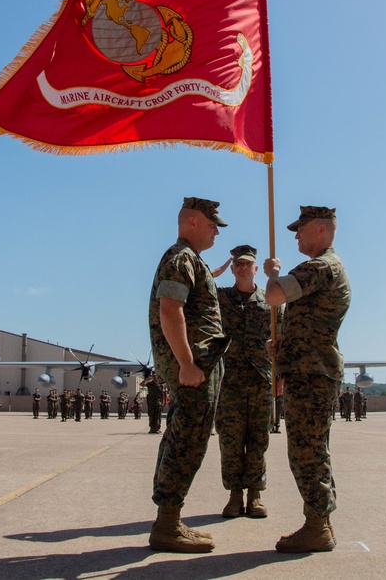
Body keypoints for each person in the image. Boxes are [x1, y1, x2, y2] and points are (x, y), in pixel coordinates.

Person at [264, 205, 351, 554]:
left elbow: (273, 295)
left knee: (307, 451)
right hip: (308, 370)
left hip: (312, 374)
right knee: (311, 449)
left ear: (320, 229)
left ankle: (317, 527)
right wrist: (283, 348)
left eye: (300, 228)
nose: (296, 235)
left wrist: (272, 274)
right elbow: (305, 322)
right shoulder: (324, 267)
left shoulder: (322, 266)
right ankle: (320, 521)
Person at [147, 197, 230, 553]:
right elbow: (170, 310)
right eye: (212, 224)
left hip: (198, 367)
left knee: (184, 436)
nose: (216, 231)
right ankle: (167, 524)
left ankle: (169, 520)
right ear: (192, 222)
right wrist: (186, 364)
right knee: (188, 440)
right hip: (192, 370)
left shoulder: (191, 261)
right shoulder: (181, 258)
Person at [216, 244, 282, 519]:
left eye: (248, 264)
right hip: (228, 381)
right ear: (232, 269)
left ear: (256, 269)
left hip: (260, 380)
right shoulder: (219, 298)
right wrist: (212, 272)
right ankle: (234, 495)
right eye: (238, 264)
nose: (243, 268)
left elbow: (283, 340)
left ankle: (255, 495)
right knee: (230, 441)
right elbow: (194, 288)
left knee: (258, 440)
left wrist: (280, 376)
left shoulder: (271, 301)